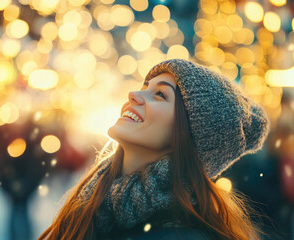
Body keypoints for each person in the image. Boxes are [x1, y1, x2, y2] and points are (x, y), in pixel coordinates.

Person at [38, 59, 271, 240]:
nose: (134, 95)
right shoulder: (91, 204)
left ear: (188, 134)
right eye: (144, 87)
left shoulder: (183, 236)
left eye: (160, 94)